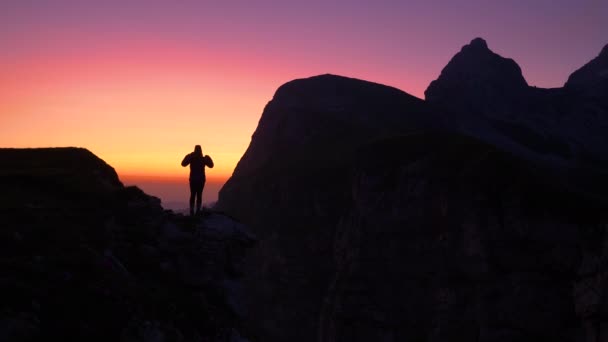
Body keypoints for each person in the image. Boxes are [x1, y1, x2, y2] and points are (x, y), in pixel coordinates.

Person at [181, 145, 214, 216]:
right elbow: (211, 165)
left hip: (193, 179)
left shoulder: (192, 158)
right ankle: (197, 210)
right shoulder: (203, 159)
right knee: (199, 195)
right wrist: (208, 157)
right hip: (201, 179)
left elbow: (183, 164)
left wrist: (189, 156)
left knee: (193, 194)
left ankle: (192, 211)